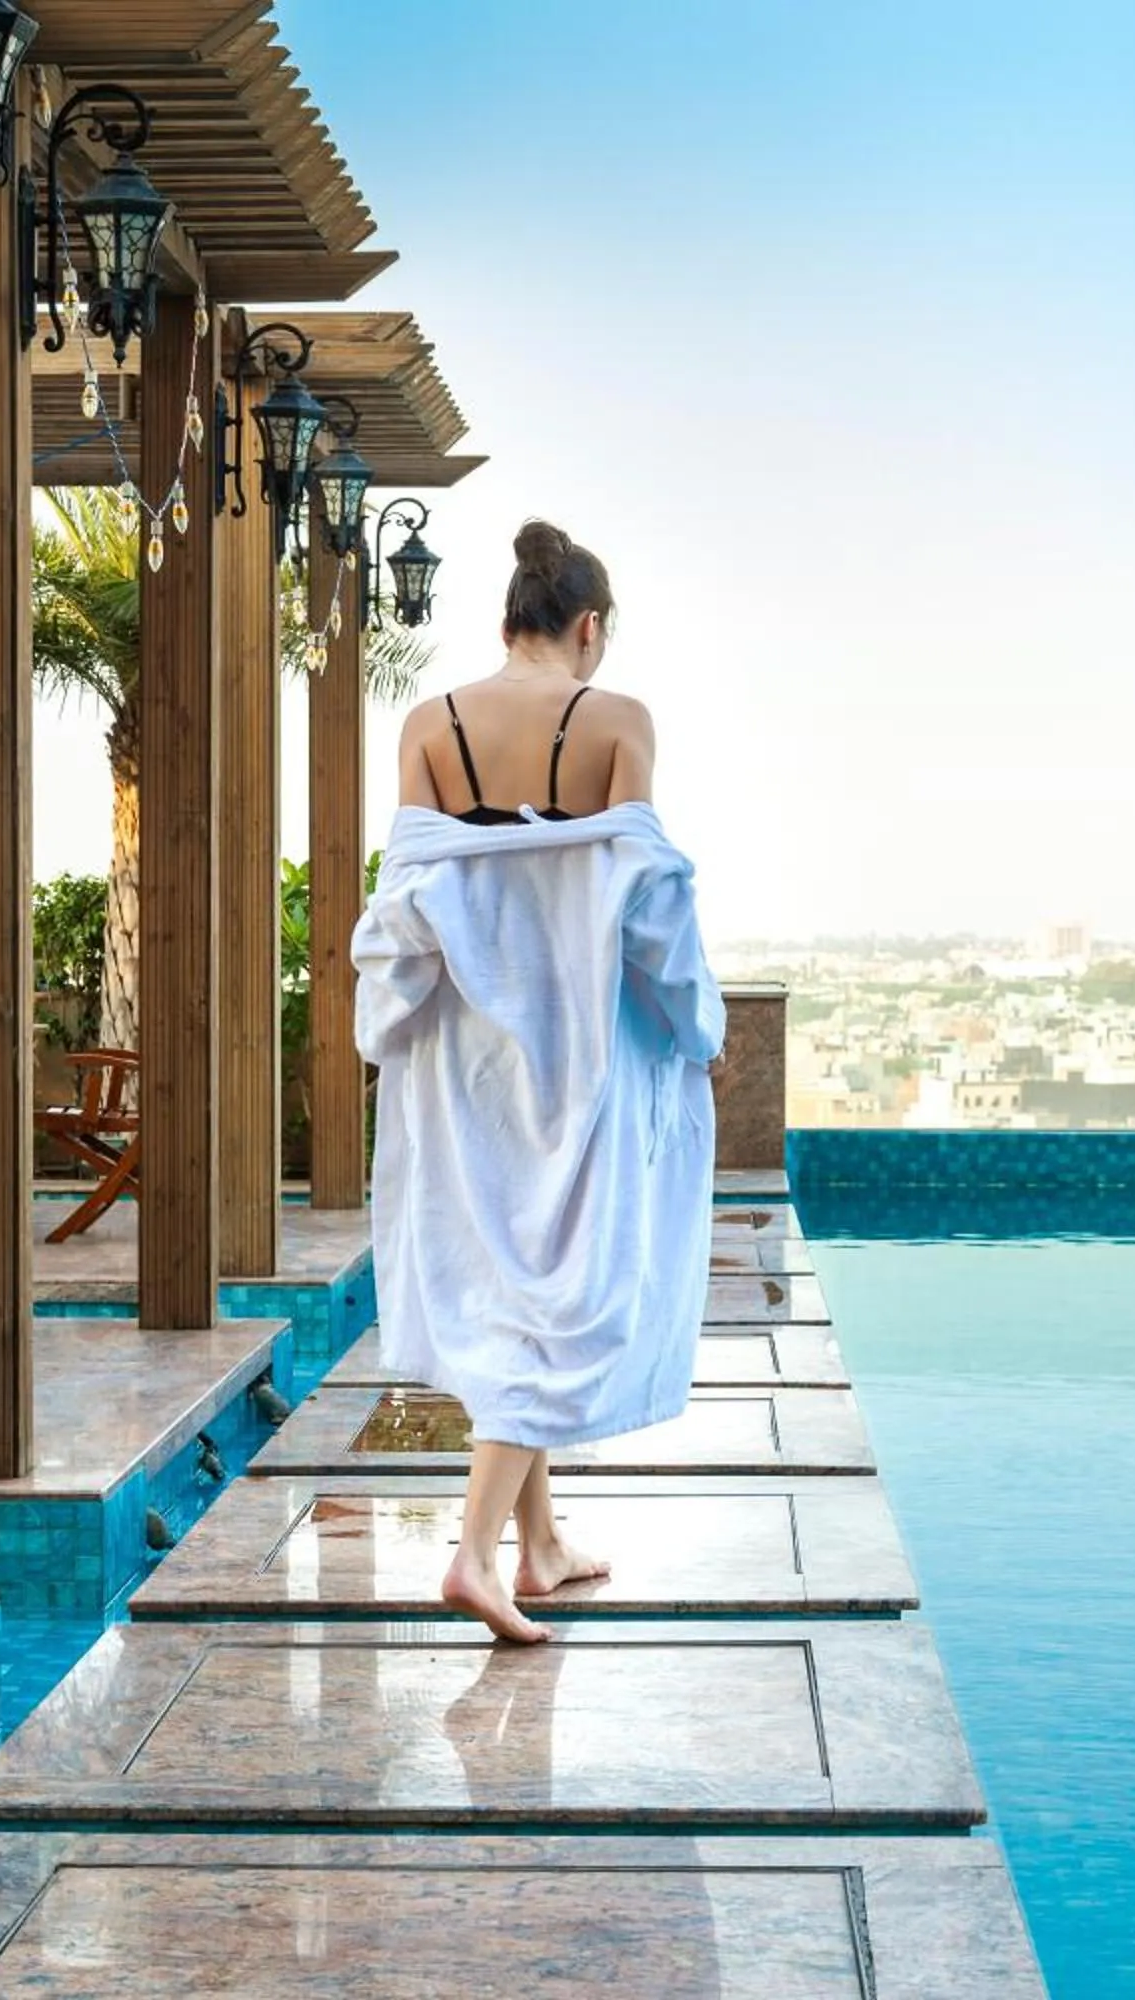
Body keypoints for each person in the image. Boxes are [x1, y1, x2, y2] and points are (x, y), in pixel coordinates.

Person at [351, 520, 725, 1644]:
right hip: (581, 1049)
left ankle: (541, 1543)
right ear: (589, 626)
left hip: (462, 1057)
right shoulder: (619, 723)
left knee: (507, 1279)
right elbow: (650, 907)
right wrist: (697, 1024)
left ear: (505, 618)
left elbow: (405, 904)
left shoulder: (430, 725)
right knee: (563, 1294)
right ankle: (471, 1556)